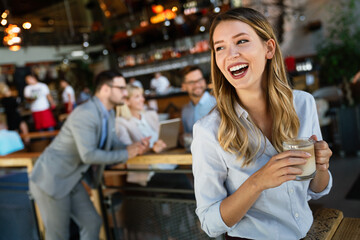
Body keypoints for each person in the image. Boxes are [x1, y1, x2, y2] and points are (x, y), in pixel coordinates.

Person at [191, 8, 332, 240]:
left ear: (268, 48)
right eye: (220, 47)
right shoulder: (207, 131)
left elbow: (315, 189)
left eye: (242, 41)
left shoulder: (303, 104)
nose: (231, 54)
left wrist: (321, 167)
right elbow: (209, 223)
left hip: (308, 233)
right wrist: (257, 182)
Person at [29, 70, 149, 240]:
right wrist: (126, 153)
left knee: (92, 222)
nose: (124, 92)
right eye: (121, 88)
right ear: (105, 89)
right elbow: (89, 155)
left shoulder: (110, 112)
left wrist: (135, 147)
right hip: (51, 179)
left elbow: (114, 144)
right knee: (58, 236)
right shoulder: (86, 113)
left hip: (72, 178)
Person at [115, 84, 178, 187]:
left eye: (142, 95)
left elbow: (161, 138)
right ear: (126, 101)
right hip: (149, 172)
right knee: (183, 182)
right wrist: (151, 149)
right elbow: (127, 151)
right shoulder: (121, 123)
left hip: (168, 164)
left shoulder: (151, 115)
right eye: (137, 96)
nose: (142, 99)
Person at [180, 65, 216, 135]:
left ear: (204, 81)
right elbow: (188, 136)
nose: (197, 85)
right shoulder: (185, 110)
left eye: (200, 80)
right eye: (191, 82)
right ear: (184, 86)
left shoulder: (217, 105)